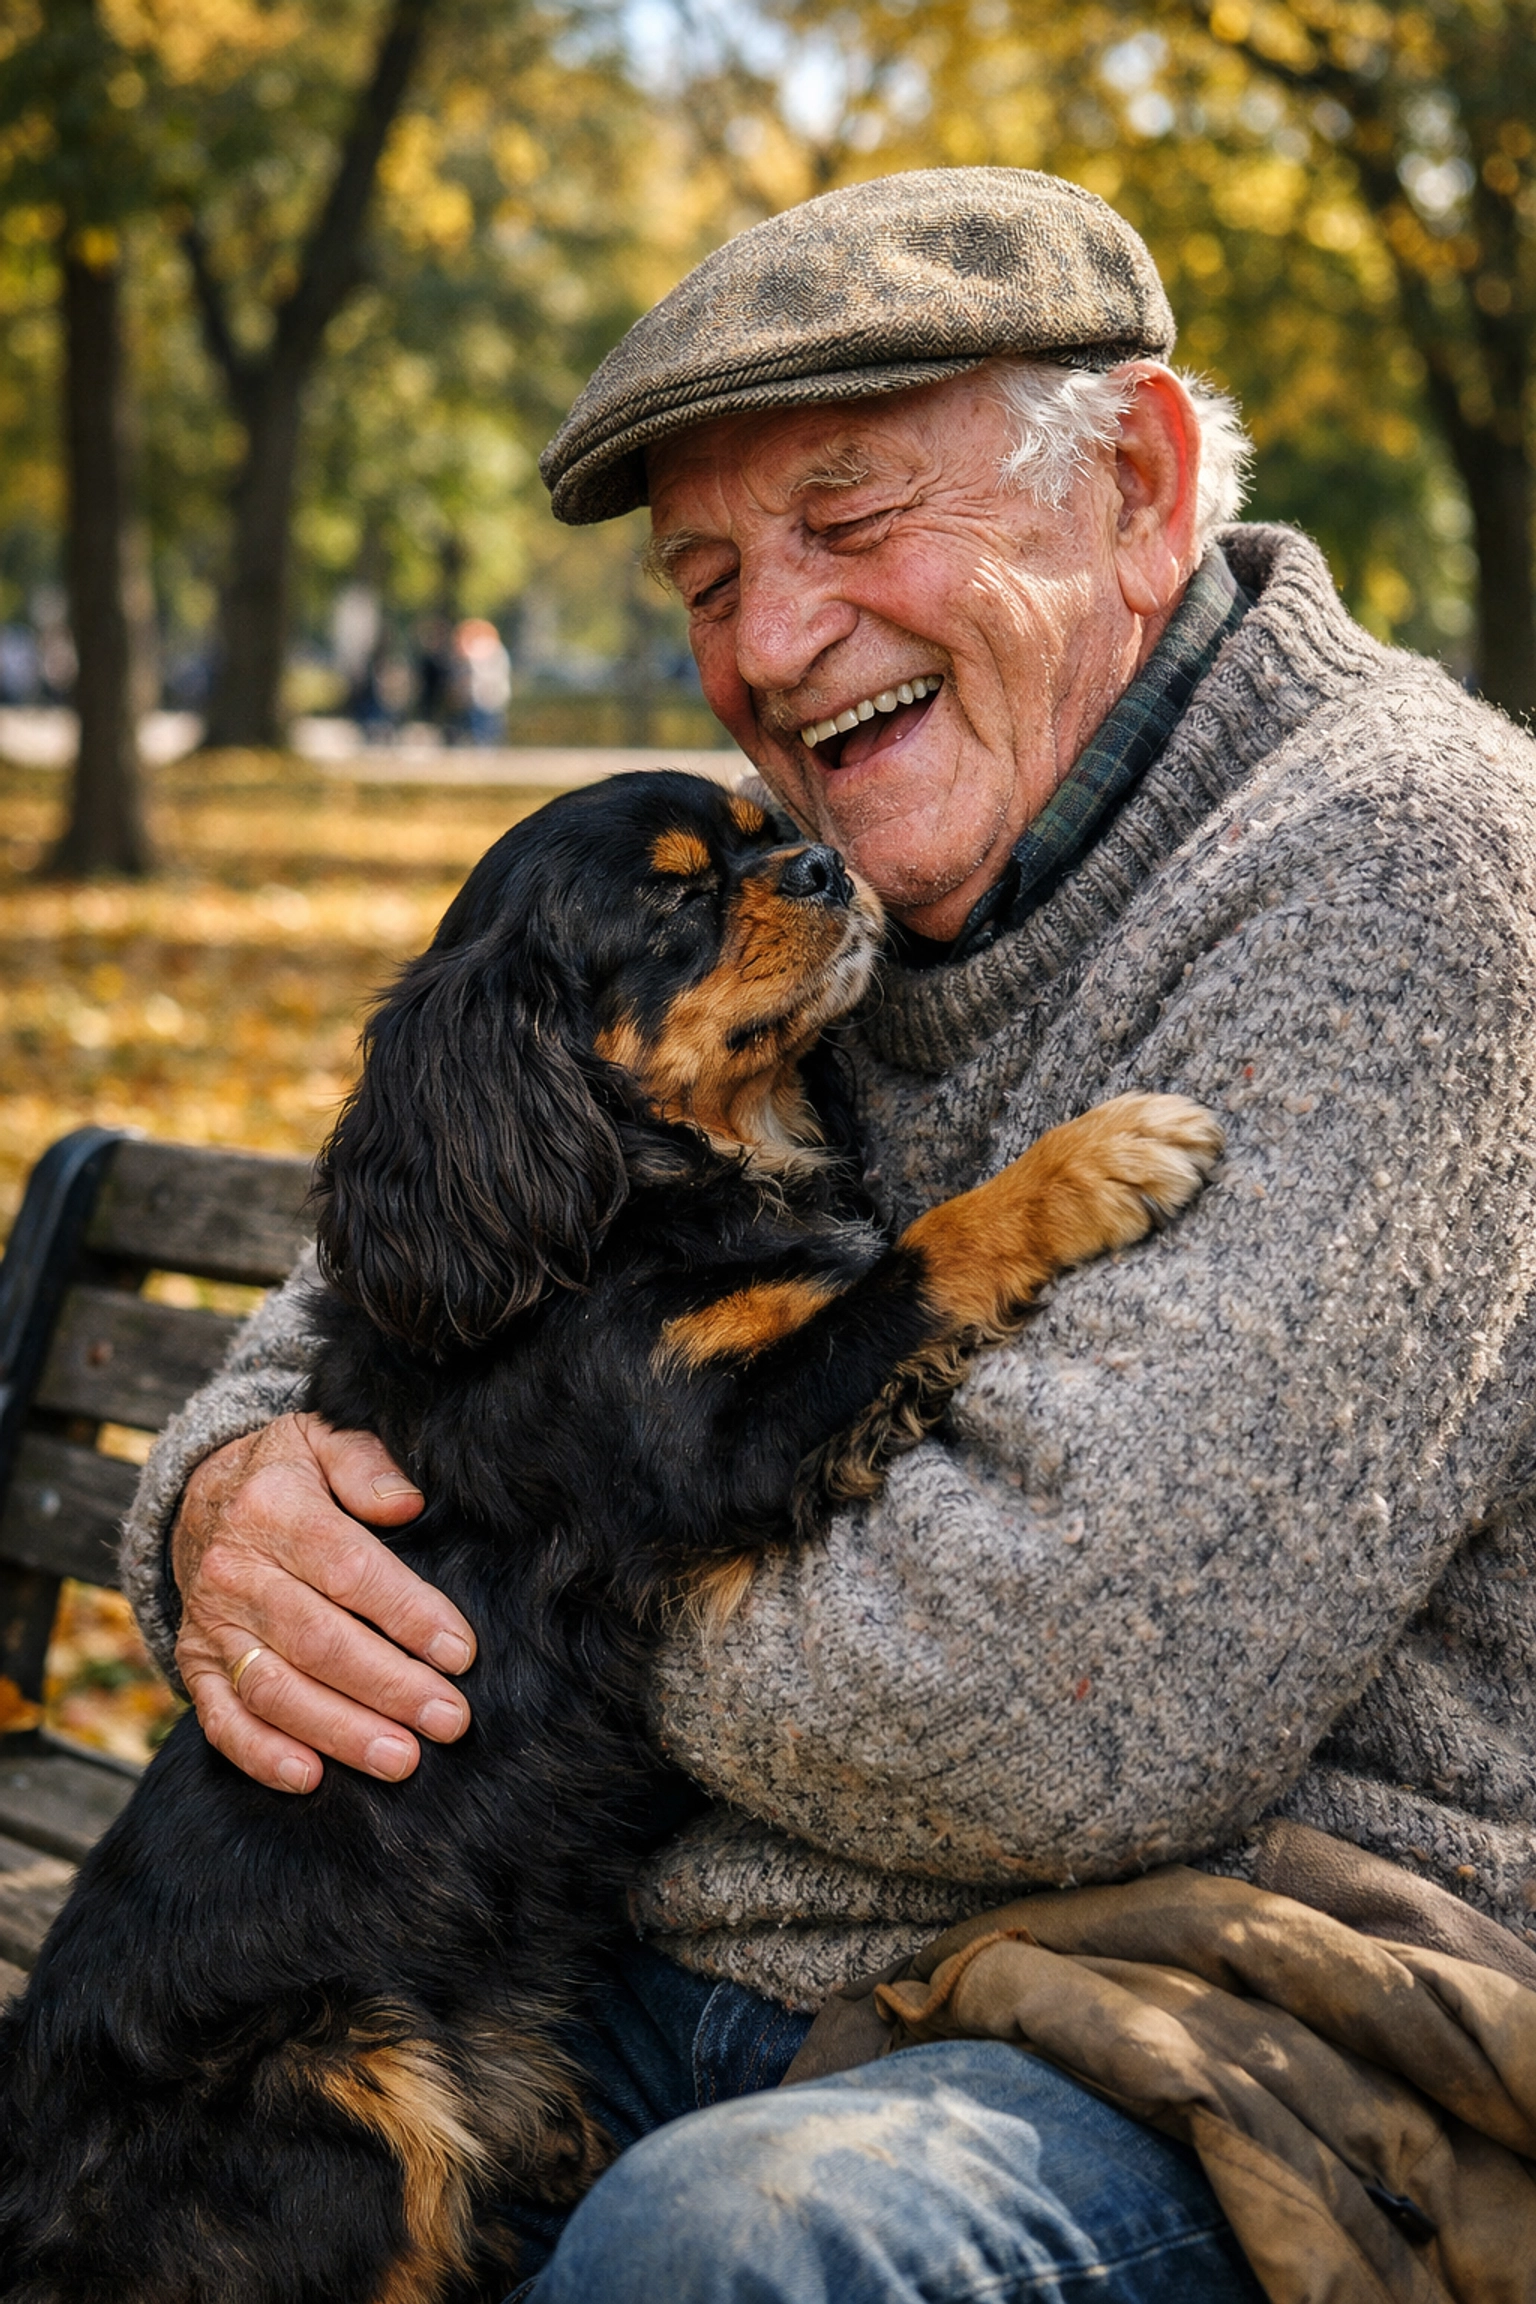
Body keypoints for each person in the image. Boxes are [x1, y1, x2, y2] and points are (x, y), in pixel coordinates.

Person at [120, 169, 1536, 2301]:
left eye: (854, 525)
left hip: (1221, 2011)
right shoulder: (814, 899)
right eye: (711, 573)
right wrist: (228, 1492)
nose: (770, 648)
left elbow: (1049, 1705)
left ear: (1137, 484)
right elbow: (397, 1280)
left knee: (733, 2251)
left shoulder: (1405, 876)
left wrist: (511, 1536)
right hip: (603, 1949)